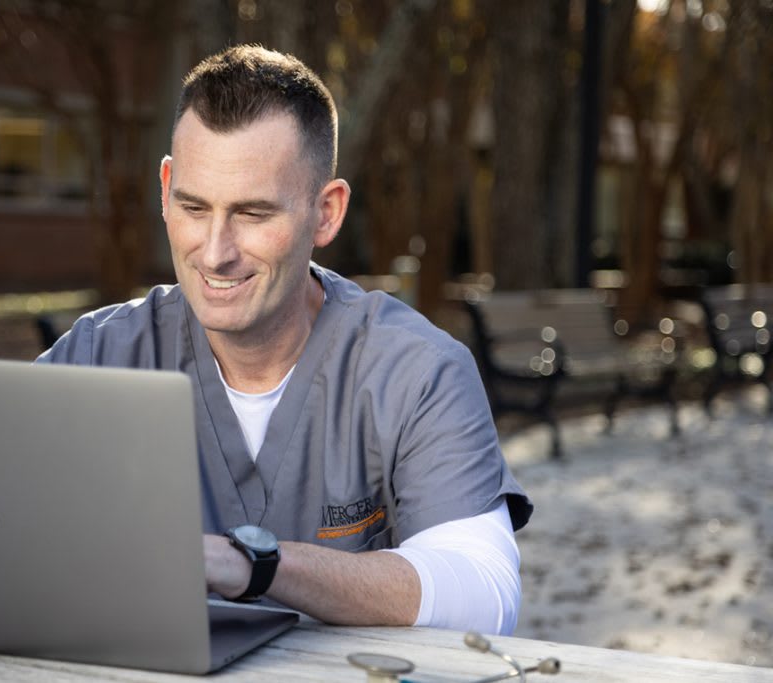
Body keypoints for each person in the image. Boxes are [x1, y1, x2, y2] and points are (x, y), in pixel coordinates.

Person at [38, 45, 532, 634]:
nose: (215, 252)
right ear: (166, 188)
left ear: (327, 213)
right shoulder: (97, 357)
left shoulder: (417, 373)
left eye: (253, 214)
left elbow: (486, 593)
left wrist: (257, 564)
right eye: (194, 207)